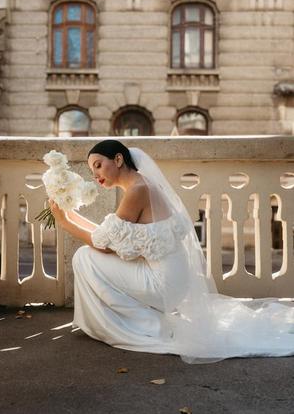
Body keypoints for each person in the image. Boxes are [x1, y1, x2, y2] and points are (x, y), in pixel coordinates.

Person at [49, 139, 294, 364]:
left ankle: (142, 326)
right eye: (92, 171)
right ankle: (135, 322)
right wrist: (70, 214)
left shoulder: (137, 190)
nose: (95, 175)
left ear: (119, 160)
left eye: (99, 166)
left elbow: (103, 244)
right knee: (89, 254)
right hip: (175, 281)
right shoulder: (142, 184)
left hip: (163, 285)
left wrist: (64, 221)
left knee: (84, 256)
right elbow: (108, 237)